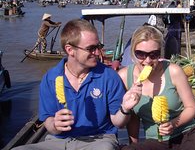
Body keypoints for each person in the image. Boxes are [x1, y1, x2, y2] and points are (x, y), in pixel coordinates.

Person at [13, 19, 142, 150]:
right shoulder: (51, 78)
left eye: (98, 46)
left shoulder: (109, 76)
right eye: (91, 48)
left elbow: (118, 123)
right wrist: (55, 124)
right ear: (70, 50)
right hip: (58, 141)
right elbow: (48, 121)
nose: (97, 53)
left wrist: (125, 109)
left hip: (99, 140)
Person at [119, 25, 195, 150]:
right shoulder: (124, 77)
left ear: (160, 52)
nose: (147, 60)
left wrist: (173, 124)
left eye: (153, 54)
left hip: (185, 135)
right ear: (133, 52)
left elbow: (191, 107)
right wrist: (134, 145)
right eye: (141, 54)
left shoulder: (173, 71)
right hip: (156, 142)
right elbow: (133, 119)